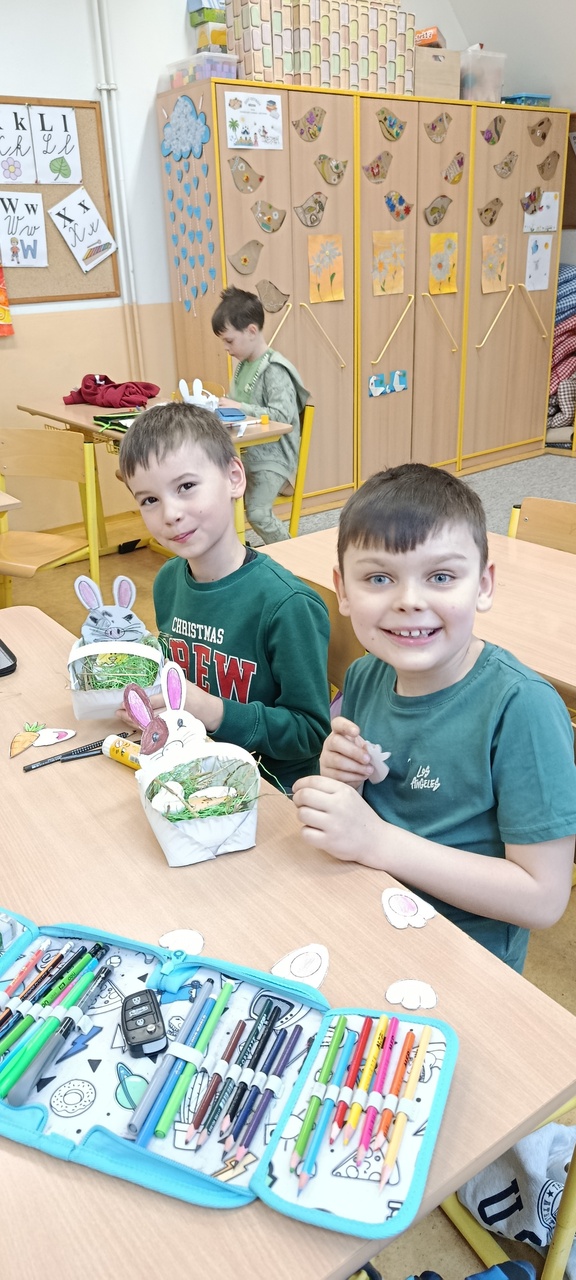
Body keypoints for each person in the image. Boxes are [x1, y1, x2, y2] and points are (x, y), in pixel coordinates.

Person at [293, 463, 576, 971]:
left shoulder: (522, 708)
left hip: (462, 958)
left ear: (483, 585)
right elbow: (367, 819)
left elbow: (543, 899)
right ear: (344, 590)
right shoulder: (364, 675)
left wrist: (377, 842)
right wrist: (343, 781)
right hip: (364, 912)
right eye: (379, 578)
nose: (409, 602)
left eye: (441, 577)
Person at [118, 401, 330, 792]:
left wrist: (211, 710)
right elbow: (179, 672)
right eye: (149, 500)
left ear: (234, 478)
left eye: (186, 487)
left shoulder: (287, 606)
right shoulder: (168, 581)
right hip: (190, 770)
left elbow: (309, 733)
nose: (170, 514)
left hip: (268, 792)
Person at [211, 285, 309, 544]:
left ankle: (291, 557)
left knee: (257, 513)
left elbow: (282, 416)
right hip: (246, 451)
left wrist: (239, 408)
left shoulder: (274, 369)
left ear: (251, 331)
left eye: (229, 340)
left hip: (274, 458)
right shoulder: (243, 366)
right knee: (212, 497)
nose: (226, 348)